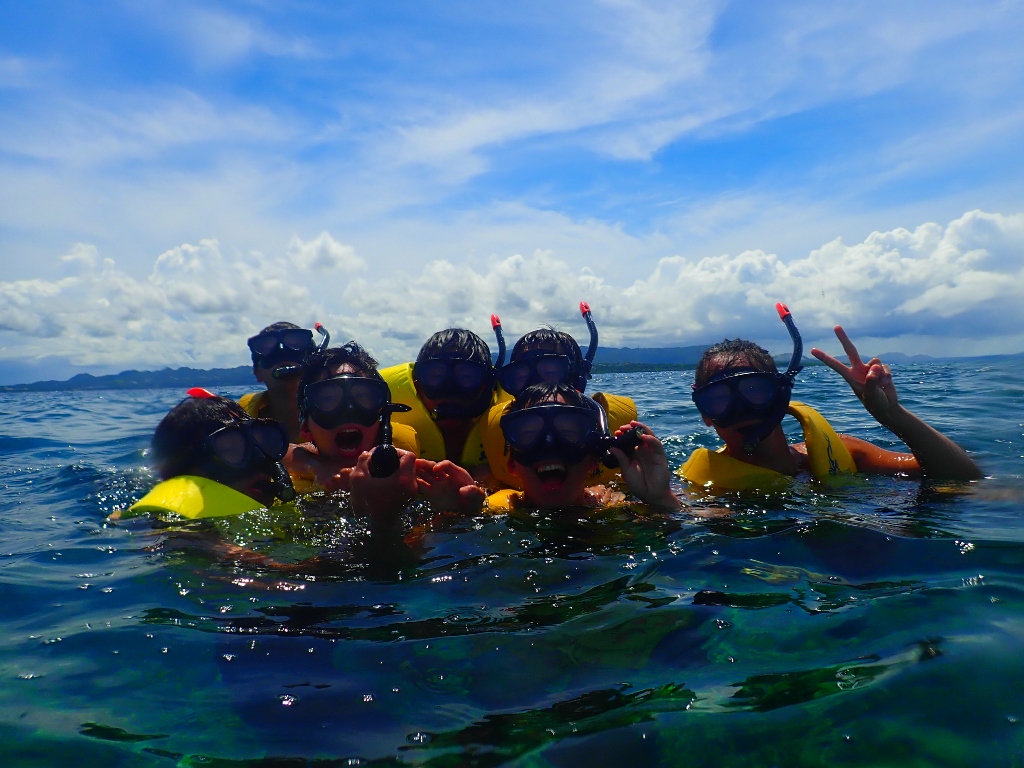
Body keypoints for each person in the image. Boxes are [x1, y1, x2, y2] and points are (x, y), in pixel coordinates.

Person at [679, 305, 982, 491]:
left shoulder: (845, 452)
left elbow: (963, 477)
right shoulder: (702, 488)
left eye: (754, 390)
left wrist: (892, 415)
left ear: (781, 396)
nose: (740, 409)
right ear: (705, 414)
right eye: (718, 399)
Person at [287, 343, 484, 516]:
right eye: (328, 400)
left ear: (381, 420)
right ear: (306, 427)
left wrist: (456, 512)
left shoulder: (417, 480)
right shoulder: (289, 488)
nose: (349, 410)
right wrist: (319, 467)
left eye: (363, 397)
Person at [480, 306, 637, 490]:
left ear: (577, 377)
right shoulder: (494, 426)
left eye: (551, 372)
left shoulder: (612, 423)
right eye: (522, 376)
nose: (538, 389)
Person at [486, 383, 680, 513]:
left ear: (594, 459)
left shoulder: (616, 510)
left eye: (569, 432)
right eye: (529, 434)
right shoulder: (491, 513)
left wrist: (660, 499)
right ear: (512, 464)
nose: (550, 444)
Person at [125, 390, 297, 519]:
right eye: (231, 449)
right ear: (188, 466)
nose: (260, 459)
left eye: (266, 443)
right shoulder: (169, 527)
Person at [381, 329, 502, 468]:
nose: (449, 390)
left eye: (466, 377)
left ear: (486, 387)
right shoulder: (375, 434)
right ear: (417, 384)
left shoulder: (514, 432)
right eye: (435, 376)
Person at [239, 321, 320, 443]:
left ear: (314, 366)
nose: (282, 354)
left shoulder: (337, 409)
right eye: (267, 348)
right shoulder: (242, 412)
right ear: (257, 373)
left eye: (295, 345)